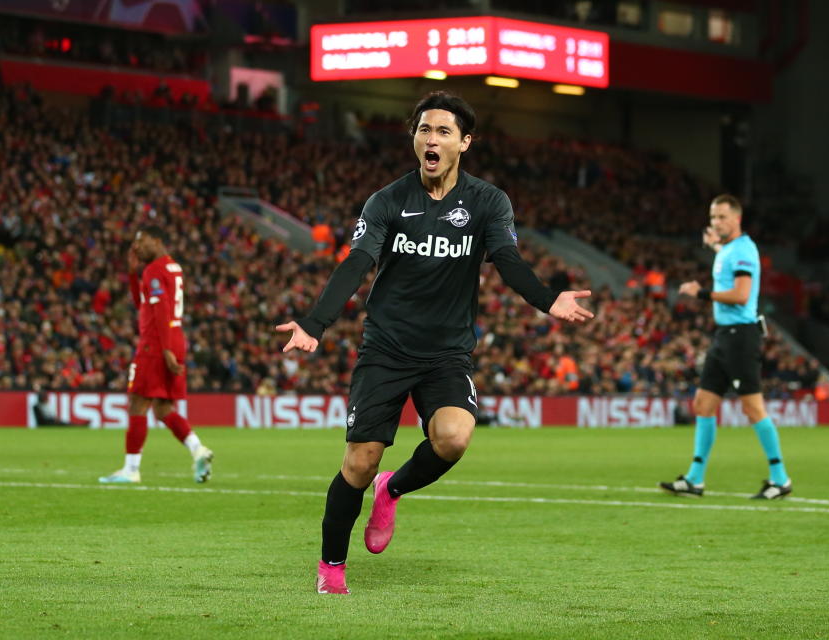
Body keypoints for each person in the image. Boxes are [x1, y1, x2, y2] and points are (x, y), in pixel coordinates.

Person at [276, 91, 595, 595]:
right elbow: (357, 263)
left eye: (444, 131)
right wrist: (316, 322)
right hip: (385, 348)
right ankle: (331, 566)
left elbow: (508, 261)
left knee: (454, 437)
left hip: (446, 352)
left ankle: (393, 489)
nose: (432, 139)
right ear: (414, 138)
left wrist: (546, 298)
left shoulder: (489, 201)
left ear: (464, 143)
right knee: (360, 462)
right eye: (424, 129)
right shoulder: (386, 201)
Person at [660, 195, 792, 500]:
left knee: (752, 407)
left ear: (736, 219)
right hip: (725, 336)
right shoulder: (729, 250)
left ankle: (780, 477)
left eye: (721, 217)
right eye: (713, 217)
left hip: (741, 337)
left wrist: (701, 293)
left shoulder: (744, 249)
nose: (716, 222)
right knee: (703, 405)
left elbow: (742, 294)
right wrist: (716, 248)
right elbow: (730, 269)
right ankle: (694, 479)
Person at [99, 226, 213, 484]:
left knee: (137, 403)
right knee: (163, 409)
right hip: (175, 337)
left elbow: (160, 310)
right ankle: (198, 450)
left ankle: (131, 469)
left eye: (142, 241)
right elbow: (144, 305)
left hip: (156, 343)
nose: (137, 246)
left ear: (157, 240)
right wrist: (131, 274)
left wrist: (165, 351)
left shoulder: (154, 270)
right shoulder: (173, 267)